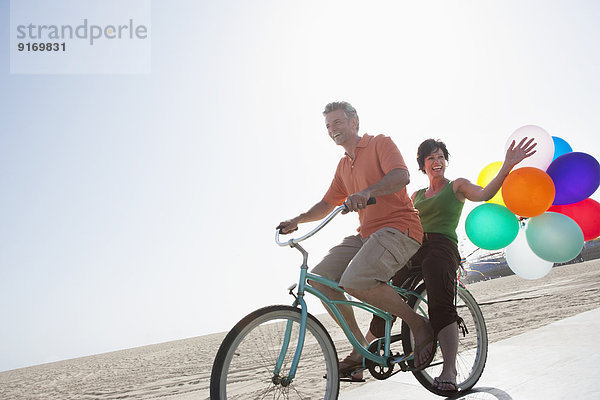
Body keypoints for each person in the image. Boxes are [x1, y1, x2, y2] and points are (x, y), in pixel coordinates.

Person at [359, 137, 536, 392]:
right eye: (431, 158)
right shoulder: (416, 194)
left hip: (442, 247)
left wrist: (507, 164)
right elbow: (396, 215)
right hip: (414, 246)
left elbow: (485, 194)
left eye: (440, 156)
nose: (437, 161)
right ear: (422, 164)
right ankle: (365, 351)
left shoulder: (457, 186)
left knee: (438, 288)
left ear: (446, 161)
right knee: (384, 287)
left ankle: (449, 369)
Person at [277, 101, 436, 376]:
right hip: (366, 234)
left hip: (400, 227)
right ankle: (361, 347)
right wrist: (297, 220)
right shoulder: (342, 166)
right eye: (328, 126)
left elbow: (401, 175)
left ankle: (418, 324)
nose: (332, 129)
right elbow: (327, 203)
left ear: (354, 122)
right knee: (319, 280)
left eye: (337, 122)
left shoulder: (379, 143)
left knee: (354, 281)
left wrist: (367, 192)